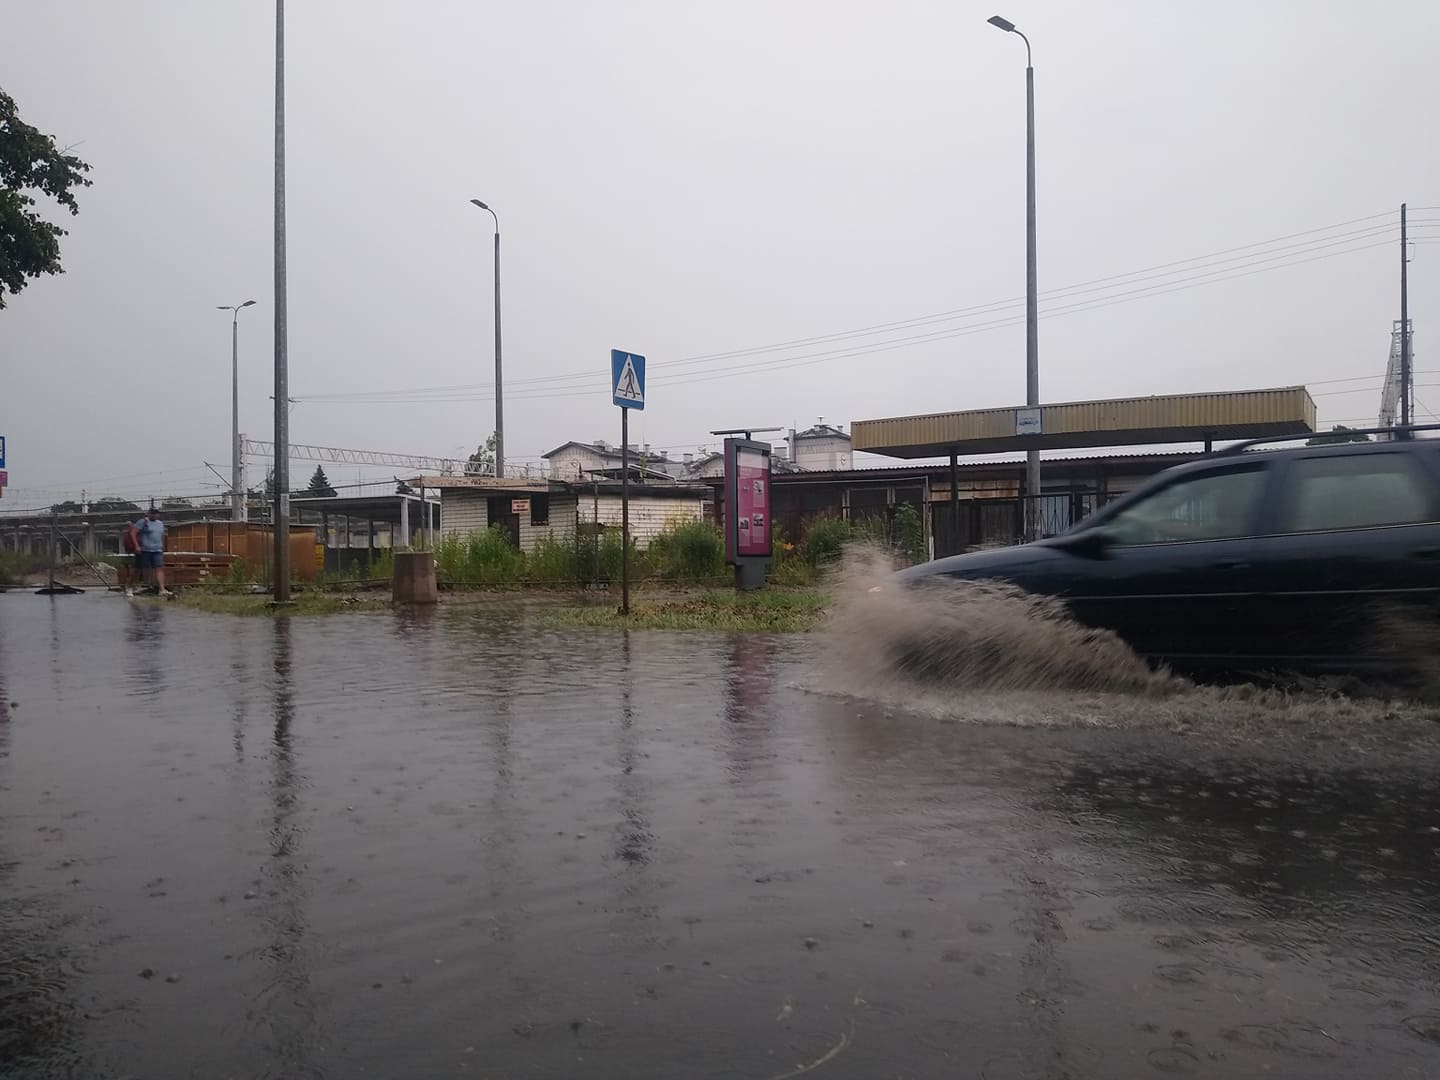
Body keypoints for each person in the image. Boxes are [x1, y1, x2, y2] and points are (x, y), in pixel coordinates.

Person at [134, 508, 172, 597]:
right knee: (141, 568)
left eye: (156, 514)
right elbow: (134, 533)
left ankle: (162, 589)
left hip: (157, 550)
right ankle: (135, 586)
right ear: (149, 514)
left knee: (159, 568)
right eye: (153, 513)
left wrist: (163, 546)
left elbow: (161, 536)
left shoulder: (160, 524)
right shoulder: (143, 522)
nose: (155, 515)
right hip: (145, 550)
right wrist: (136, 545)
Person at [121, 519, 142, 597]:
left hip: (129, 554)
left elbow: (125, 544)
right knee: (135, 571)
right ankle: (130, 587)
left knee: (129, 571)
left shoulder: (126, 533)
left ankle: (128, 587)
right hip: (134, 553)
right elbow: (132, 543)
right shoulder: (134, 532)